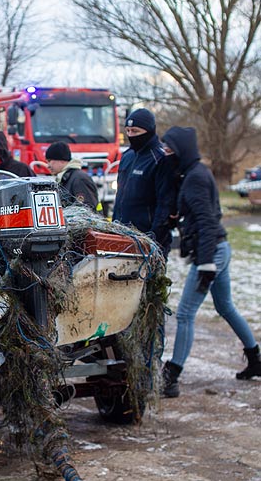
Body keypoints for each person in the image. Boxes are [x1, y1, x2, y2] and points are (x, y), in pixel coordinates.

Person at [160, 126, 260, 397]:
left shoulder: (195, 177)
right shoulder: (193, 173)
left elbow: (206, 221)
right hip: (219, 248)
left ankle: (172, 375)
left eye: (169, 149)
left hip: (212, 253)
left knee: (184, 314)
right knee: (225, 306)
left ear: (181, 149)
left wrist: (205, 264)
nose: (165, 153)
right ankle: (255, 359)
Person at [112, 108, 178, 257]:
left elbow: (165, 203)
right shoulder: (127, 156)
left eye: (135, 131)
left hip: (148, 239)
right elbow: (120, 196)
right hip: (121, 235)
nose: (130, 135)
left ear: (148, 131)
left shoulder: (160, 159)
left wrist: (154, 238)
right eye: (127, 131)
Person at [45, 141, 101, 211]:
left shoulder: (79, 179)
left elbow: (87, 211)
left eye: (50, 161)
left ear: (62, 160)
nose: (48, 166)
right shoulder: (65, 178)